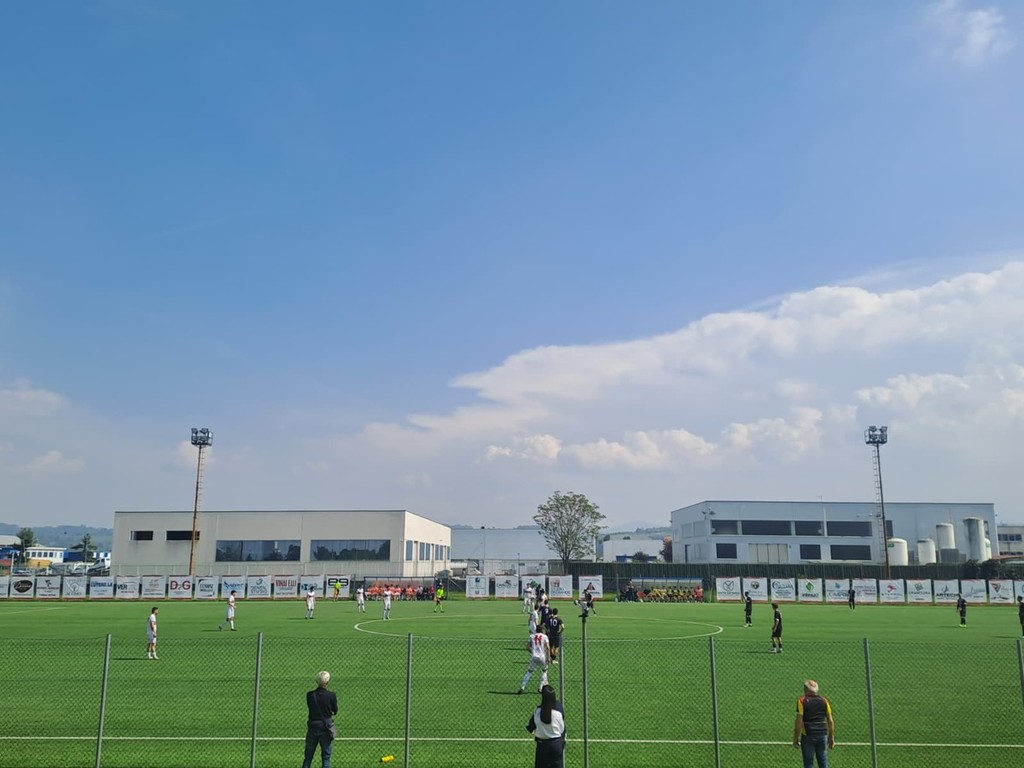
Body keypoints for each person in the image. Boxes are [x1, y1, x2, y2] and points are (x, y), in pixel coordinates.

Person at [792, 679, 835, 768]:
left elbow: (799, 722)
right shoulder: (824, 701)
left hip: (808, 735)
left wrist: (796, 737)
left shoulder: (802, 701)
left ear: (806, 690)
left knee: (808, 763)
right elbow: (830, 721)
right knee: (823, 762)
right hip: (822, 735)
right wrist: (831, 737)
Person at [302, 670, 338, 768]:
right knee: (326, 757)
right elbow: (335, 711)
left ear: (316, 681)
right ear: (327, 682)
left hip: (313, 726)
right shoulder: (331, 695)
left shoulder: (310, 695)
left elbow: (311, 707)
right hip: (326, 727)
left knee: (308, 757)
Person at [527, 684, 566, 768]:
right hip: (556, 744)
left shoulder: (538, 711)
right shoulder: (557, 713)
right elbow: (562, 729)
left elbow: (531, 727)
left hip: (542, 744)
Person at [519, 625, 550, 694]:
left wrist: (532, 652)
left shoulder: (531, 636)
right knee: (544, 671)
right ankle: (540, 688)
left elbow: (527, 647)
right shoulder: (544, 636)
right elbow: (548, 647)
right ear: (542, 630)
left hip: (534, 656)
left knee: (529, 672)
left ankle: (522, 687)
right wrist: (548, 657)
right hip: (542, 656)